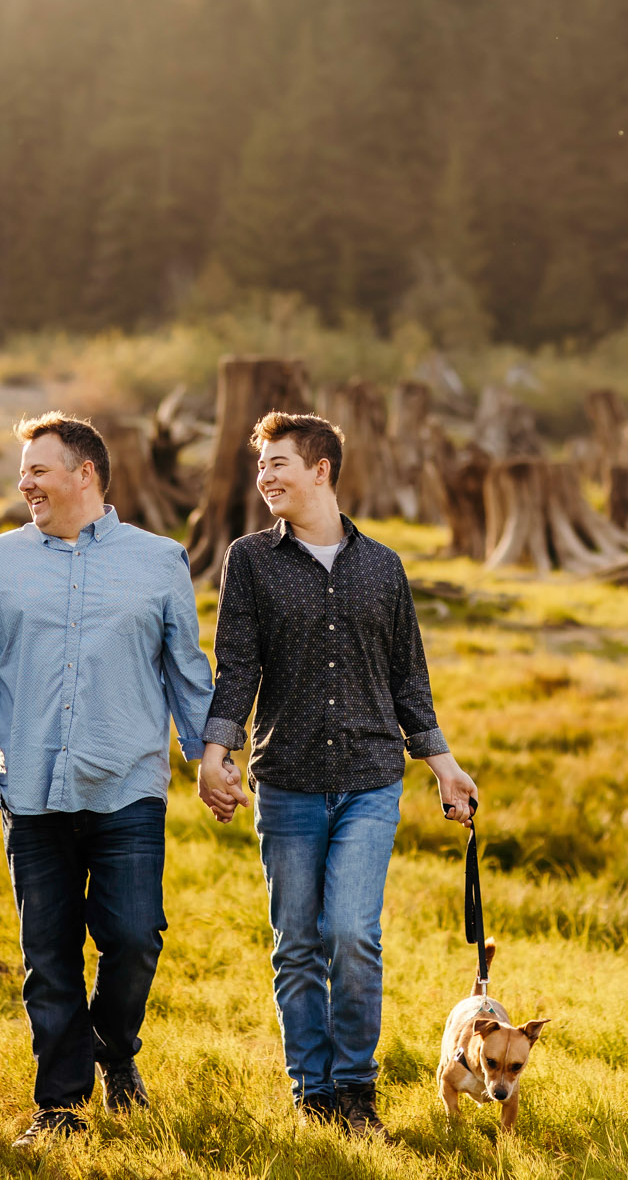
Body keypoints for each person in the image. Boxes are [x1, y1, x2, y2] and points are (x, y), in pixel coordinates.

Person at [200, 411, 479, 1138]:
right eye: (260, 465)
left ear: (321, 468)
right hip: (287, 780)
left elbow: (407, 677)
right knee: (297, 940)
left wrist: (443, 764)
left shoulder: (383, 565)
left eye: (278, 462)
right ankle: (312, 1091)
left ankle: (356, 1089)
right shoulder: (250, 560)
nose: (265, 477)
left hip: (369, 778)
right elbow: (237, 666)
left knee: (353, 933)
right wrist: (216, 750)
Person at [0, 412, 216, 1148]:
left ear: (84, 473)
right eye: (23, 470)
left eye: (37, 468)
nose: (24, 481)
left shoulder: (160, 559)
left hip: (128, 782)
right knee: (49, 954)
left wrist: (210, 758)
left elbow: (188, 674)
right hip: (30, 786)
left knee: (133, 938)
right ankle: (60, 1103)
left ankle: (116, 1050)